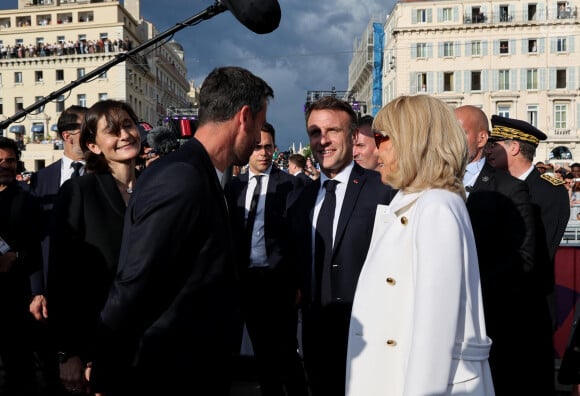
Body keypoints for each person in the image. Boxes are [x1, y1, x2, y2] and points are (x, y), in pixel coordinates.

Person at [87, 66, 274, 396]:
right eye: (259, 125)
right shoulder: (182, 179)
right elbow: (134, 283)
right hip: (168, 375)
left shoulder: (202, 175)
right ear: (244, 117)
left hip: (195, 370)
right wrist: (106, 372)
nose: (260, 138)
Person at [346, 94, 494, 395]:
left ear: (412, 141)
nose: (376, 149)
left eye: (382, 137)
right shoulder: (412, 201)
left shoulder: (436, 205)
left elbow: (434, 331)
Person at [285, 96, 395, 396]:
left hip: (371, 336)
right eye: (314, 133)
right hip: (315, 336)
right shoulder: (299, 200)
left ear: (352, 135)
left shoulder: (383, 190)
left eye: (332, 130)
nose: (323, 141)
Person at [47, 100, 141, 394]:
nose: (124, 135)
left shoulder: (154, 188)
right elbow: (61, 277)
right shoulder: (79, 191)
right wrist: (67, 353)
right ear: (95, 146)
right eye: (112, 131)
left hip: (151, 345)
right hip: (96, 346)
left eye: (128, 125)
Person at [455, 105, 540, 395]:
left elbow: (524, 257)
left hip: (491, 320)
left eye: (460, 132)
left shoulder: (509, 187)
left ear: (481, 139)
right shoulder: (436, 185)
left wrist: (470, 284)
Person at [485, 114, 568, 395]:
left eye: (494, 144)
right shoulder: (489, 184)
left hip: (529, 307)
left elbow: (538, 252)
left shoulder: (548, 191)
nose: (487, 150)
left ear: (514, 148)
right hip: (494, 306)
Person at [224, 121, 308, 396]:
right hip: (246, 282)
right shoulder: (233, 187)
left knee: (286, 351)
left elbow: (299, 238)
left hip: (279, 282)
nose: (263, 152)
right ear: (248, 148)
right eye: (258, 146)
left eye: (268, 147)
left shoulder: (291, 185)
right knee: (262, 354)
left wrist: (297, 284)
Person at [28, 104, 88, 395]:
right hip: (52, 290)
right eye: (85, 129)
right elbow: (35, 237)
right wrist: (37, 289)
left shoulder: (103, 175)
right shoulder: (42, 179)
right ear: (68, 135)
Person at [0, 136, 43, 396]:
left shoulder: (28, 199)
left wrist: (15, 255)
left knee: (17, 369)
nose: (5, 165)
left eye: (10, 160)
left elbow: (39, 244)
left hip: (15, 297)